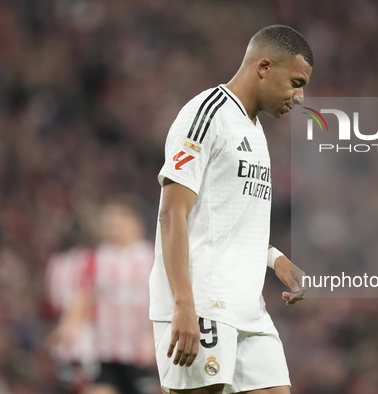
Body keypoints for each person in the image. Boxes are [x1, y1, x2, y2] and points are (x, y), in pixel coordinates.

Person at [149, 25, 312, 394]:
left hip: (247, 309)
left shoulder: (254, 131)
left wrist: (277, 262)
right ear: (265, 67)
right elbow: (171, 213)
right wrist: (184, 305)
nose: (300, 97)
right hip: (202, 303)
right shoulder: (208, 115)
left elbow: (229, 221)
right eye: (296, 82)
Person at [50, 197, 159, 394]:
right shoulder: (93, 259)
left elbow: (165, 302)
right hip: (103, 352)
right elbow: (84, 298)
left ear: (136, 223)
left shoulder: (154, 259)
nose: (112, 226)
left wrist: (154, 338)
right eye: (108, 222)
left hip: (142, 353)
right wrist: (69, 326)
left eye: (118, 221)